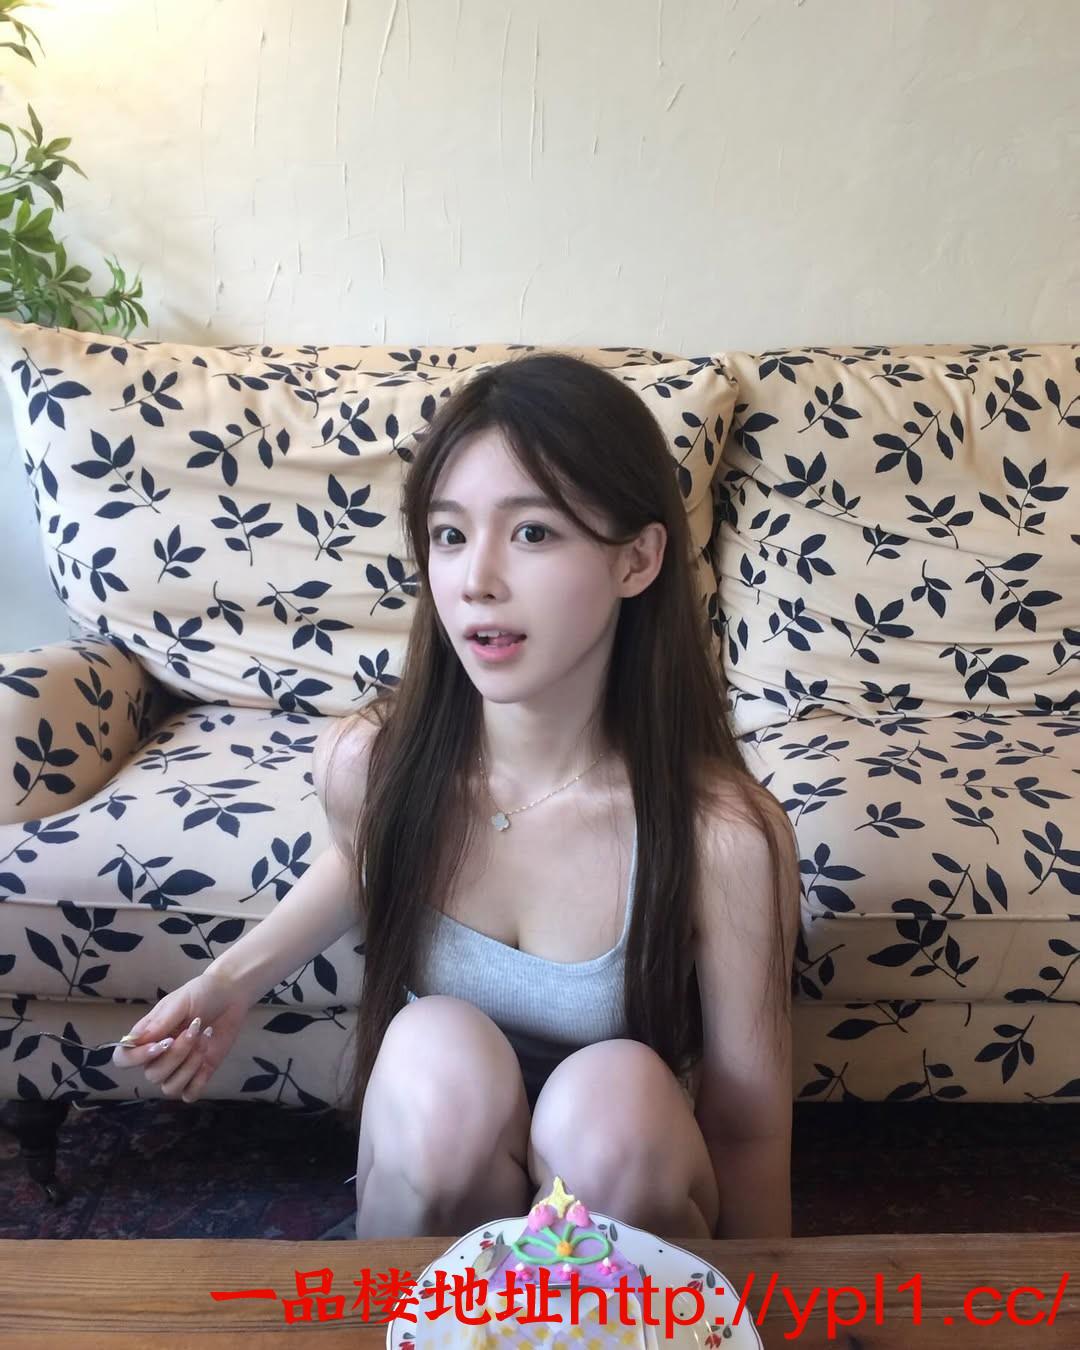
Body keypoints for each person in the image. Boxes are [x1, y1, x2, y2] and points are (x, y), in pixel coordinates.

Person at [112, 350, 800, 1241]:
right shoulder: (373, 763)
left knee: (612, 1105)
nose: (476, 579)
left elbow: (747, 1132)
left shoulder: (723, 838)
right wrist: (229, 982)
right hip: (437, 1177)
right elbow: (362, 858)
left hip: (621, 1203)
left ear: (637, 560)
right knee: (438, 1054)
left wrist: (771, 1305)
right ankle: (411, 1311)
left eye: (533, 533)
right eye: (448, 535)